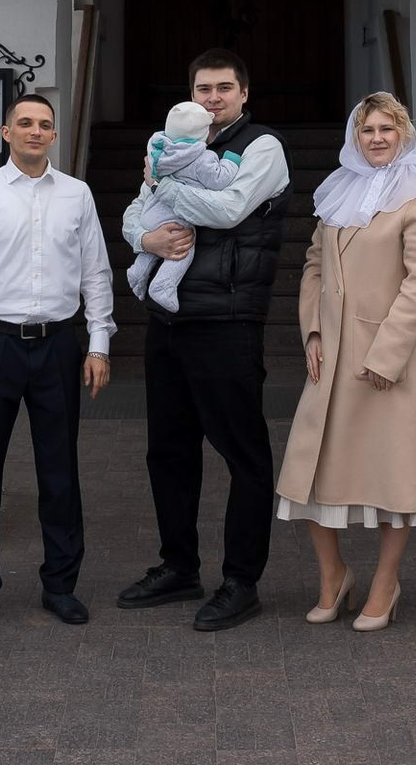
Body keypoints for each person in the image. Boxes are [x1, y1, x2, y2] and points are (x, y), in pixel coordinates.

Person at [117, 49, 290, 634]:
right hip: (169, 320)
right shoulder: (172, 142)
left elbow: (232, 210)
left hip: (227, 321)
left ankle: (242, 580)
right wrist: (146, 238)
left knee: (243, 454)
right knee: (168, 451)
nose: (213, 98)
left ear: (244, 93)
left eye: (223, 88)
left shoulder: (262, 147)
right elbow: (136, 212)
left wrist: (165, 183)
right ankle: (178, 566)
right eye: (202, 89)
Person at [275, 94, 416, 632]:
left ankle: (385, 581)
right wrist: (312, 330)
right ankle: (333, 575)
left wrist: (387, 356)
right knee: (309, 470)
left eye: (386, 129)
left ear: (404, 134)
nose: (376, 138)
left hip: (388, 364)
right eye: (366, 130)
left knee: (392, 478)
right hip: (331, 356)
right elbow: (314, 264)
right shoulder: (339, 188)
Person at [0, 92, 114, 630]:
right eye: (25, 123)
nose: (35, 131)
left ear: (54, 135)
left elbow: (96, 273)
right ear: (6, 132)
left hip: (58, 345)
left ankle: (60, 585)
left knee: (59, 471)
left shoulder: (77, 195)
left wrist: (98, 344)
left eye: (44, 124)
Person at [125, 101, 236, 307]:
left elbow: (143, 194)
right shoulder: (201, 158)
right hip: (174, 217)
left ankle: (137, 273)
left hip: (149, 214)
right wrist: (230, 161)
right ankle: (163, 286)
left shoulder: (158, 152)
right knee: (183, 248)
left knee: (155, 247)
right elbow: (219, 180)